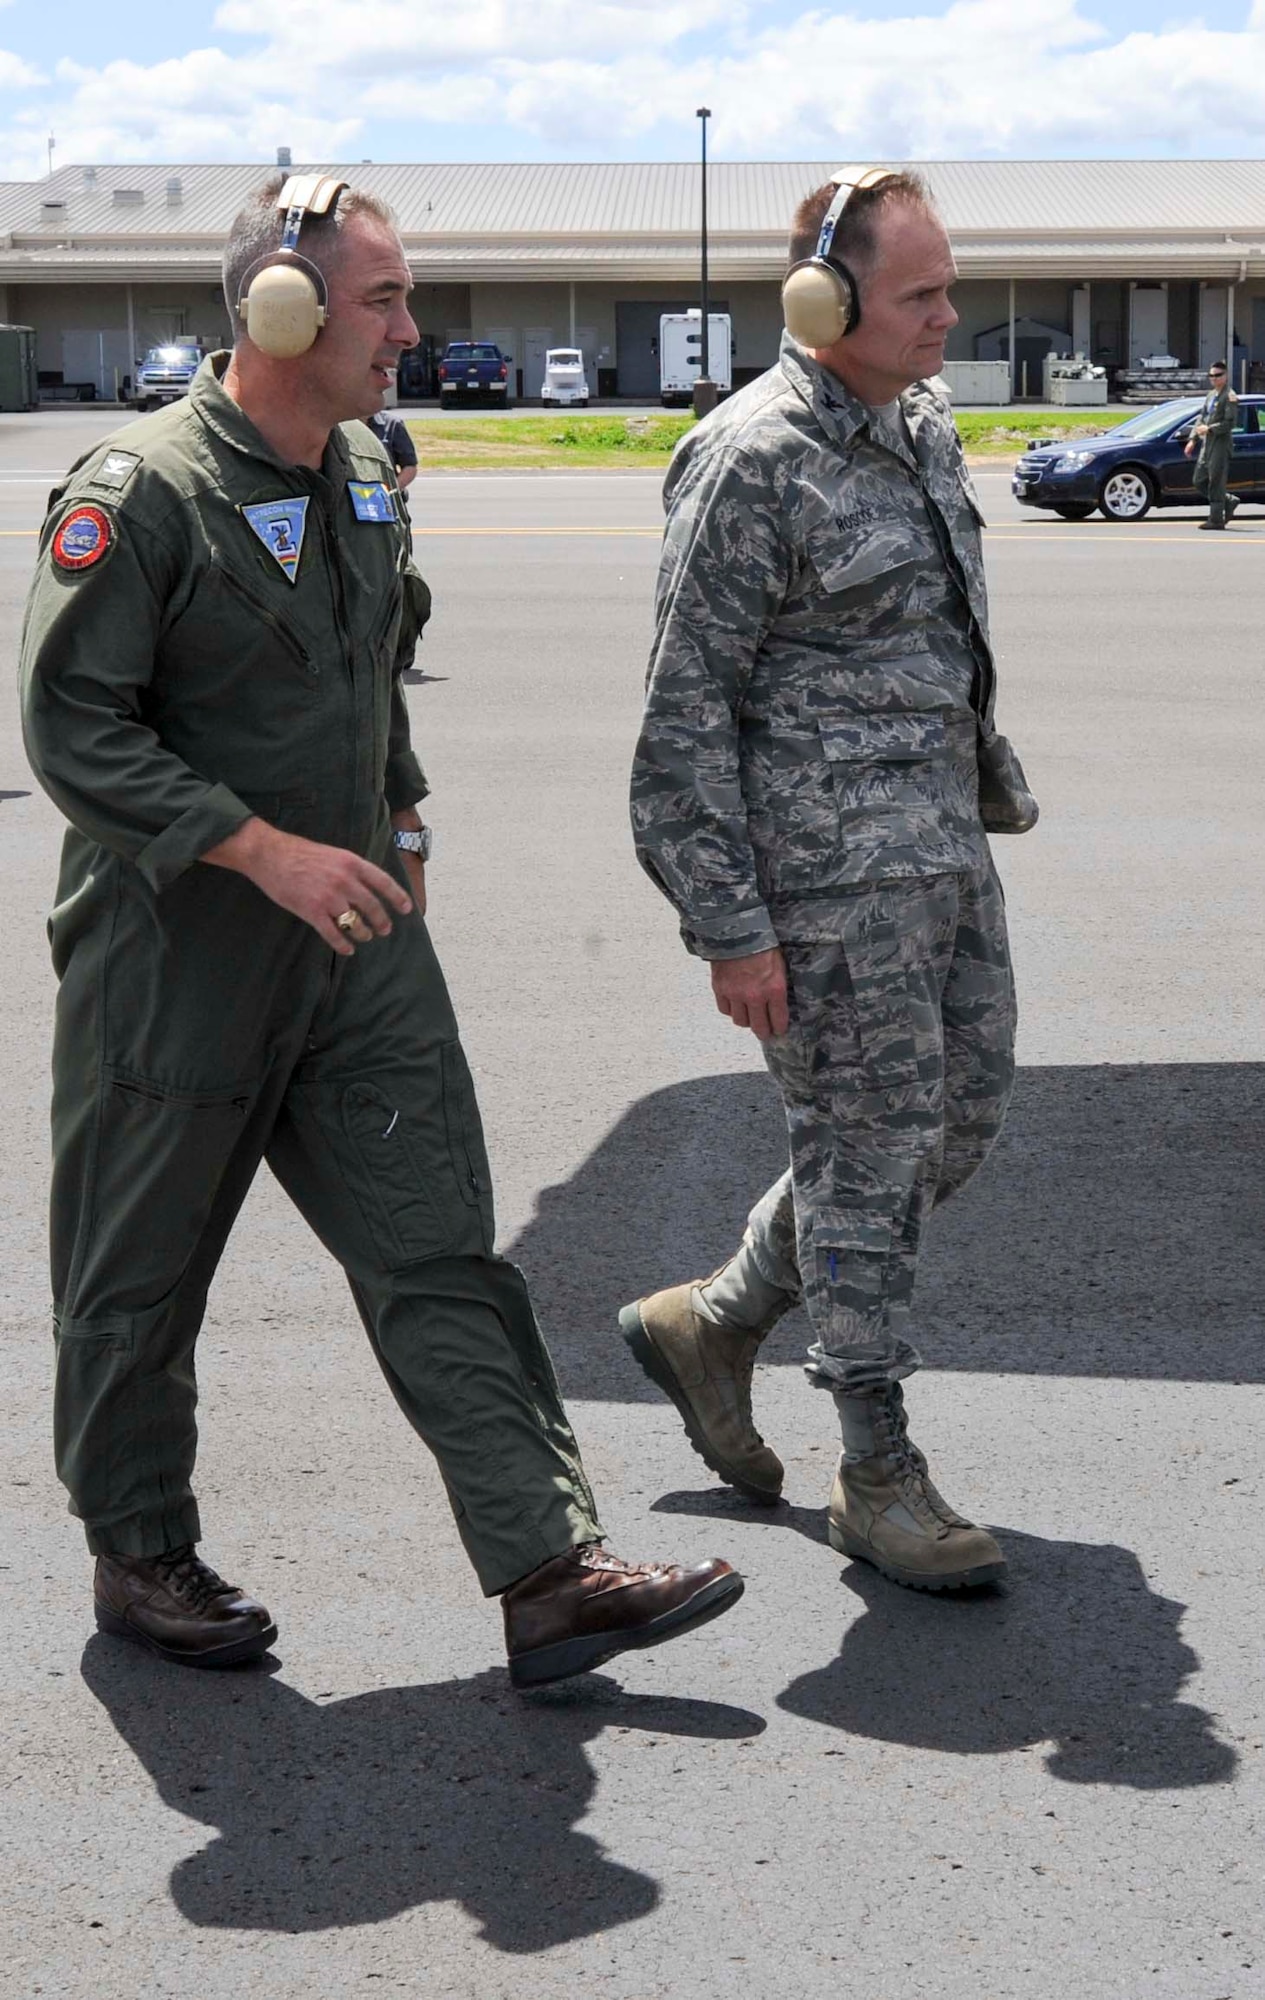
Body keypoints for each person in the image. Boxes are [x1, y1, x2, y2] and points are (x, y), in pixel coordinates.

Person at [20, 174, 741, 1686]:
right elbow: (72, 728)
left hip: (355, 948)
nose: (412, 329)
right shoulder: (139, 493)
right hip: (179, 960)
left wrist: (397, 810)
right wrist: (257, 848)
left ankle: (549, 1566)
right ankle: (139, 1554)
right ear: (280, 307)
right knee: (135, 1279)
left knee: (440, 1249)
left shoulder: (359, 469)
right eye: (386, 299)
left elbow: (373, 657)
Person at [624, 169, 1037, 1593]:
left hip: (940, 857)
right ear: (827, 300)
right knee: (864, 1159)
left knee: (954, 1129)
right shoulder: (750, 458)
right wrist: (729, 925)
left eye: (944, 286)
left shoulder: (917, 432)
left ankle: (718, 1316)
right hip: (821, 895)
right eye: (919, 293)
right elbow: (681, 715)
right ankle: (877, 1469)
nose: (947, 316)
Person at [1185, 360, 1238, 529]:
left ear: (1225, 376)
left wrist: (1210, 429)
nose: (1214, 379)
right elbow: (1201, 417)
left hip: (1220, 443)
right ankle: (1228, 500)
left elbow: (1230, 423)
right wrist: (1192, 440)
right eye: (1211, 376)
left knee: (1216, 480)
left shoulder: (1229, 396)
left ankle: (1216, 519)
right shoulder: (1210, 395)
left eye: (1218, 375)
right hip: (1206, 443)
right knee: (1199, 480)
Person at [368, 404, 418, 497]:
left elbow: (410, 466)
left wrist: (392, 491)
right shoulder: (340, 425)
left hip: (384, 496)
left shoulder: (392, 424)